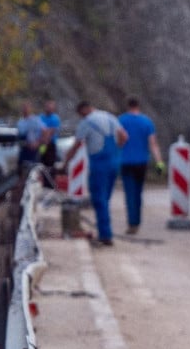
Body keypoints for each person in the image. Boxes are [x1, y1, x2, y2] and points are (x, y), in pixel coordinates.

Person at [64, 101, 128, 246]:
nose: (81, 117)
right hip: (114, 162)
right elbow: (124, 136)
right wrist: (117, 151)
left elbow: (76, 146)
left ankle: (105, 235)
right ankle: (105, 231)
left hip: (99, 164)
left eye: (81, 114)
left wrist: (65, 163)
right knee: (105, 198)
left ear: (85, 110)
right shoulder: (110, 117)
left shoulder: (87, 122)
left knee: (99, 200)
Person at [117, 97, 164, 235]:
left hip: (125, 162)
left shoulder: (121, 120)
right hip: (142, 162)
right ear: (139, 106)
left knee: (129, 193)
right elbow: (153, 143)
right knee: (138, 193)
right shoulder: (147, 122)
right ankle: (137, 221)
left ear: (128, 106)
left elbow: (118, 141)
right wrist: (159, 162)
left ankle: (132, 223)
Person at [16, 102, 49, 174]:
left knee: (33, 169)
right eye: (23, 108)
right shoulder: (20, 122)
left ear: (30, 109)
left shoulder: (35, 120)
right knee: (21, 168)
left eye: (26, 108)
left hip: (33, 148)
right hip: (24, 147)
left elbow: (45, 132)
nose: (25, 110)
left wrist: (38, 143)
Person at [39, 99, 62, 167]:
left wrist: (45, 136)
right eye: (47, 107)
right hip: (42, 144)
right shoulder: (41, 117)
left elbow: (51, 131)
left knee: (50, 164)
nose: (49, 109)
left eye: (51, 107)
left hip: (50, 144)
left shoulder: (55, 118)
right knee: (41, 162)